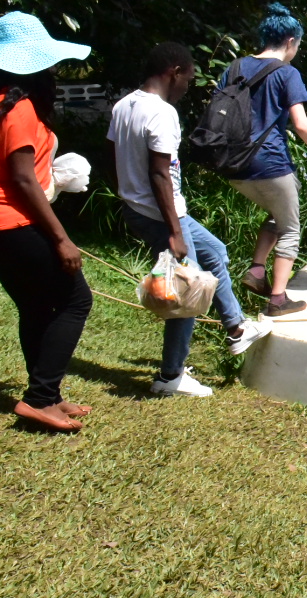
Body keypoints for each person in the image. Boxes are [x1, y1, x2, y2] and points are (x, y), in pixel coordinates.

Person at [109, 42, 271, 396]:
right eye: (189, 78)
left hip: (140, 207)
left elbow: (120, 155)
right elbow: (159, 173)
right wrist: (174, 231)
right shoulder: (161, 112)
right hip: (161, 214)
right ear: (175, 72)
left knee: (215, 251)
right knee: (188, 287)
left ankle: (236, 328)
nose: (188, 86)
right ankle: (170, 376)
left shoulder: (125, 105)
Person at [0, 12, 94, 431]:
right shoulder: (17, 107)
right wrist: (60, 239)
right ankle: (40, 398)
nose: (53, 71)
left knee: (36, 304)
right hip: (9, 220)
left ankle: (48, 395)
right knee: (76, 300)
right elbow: (22, 178)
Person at [226, 3, 307, 318]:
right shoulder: (287, 73)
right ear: (290, 41)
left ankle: (256, 271)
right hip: (270, 164)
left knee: (279, 213)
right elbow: (301, 124)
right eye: (297, 45)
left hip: (233, 165)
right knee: (290, 228)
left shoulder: (234, 68)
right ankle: (277, 300)